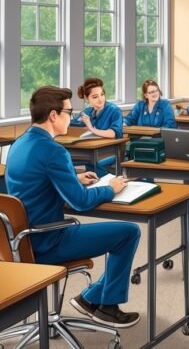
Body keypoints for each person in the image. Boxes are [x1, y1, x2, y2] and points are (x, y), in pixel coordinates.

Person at [5, 86, 140, 328]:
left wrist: (73, 177)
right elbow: (81, 201)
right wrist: (112, 188)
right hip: (48, 239)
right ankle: (105, 305)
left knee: (121, 231)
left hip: (19, 241)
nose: (73, 116)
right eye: (69, 111)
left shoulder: (18, 143)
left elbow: (34, 180)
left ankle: (91, 298)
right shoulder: (53, 150)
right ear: (54, 115)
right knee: (129, 232)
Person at [70, 77, 123, 176]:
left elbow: (114, 133)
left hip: (110, 152)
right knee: (66, 160)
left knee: (95, 162)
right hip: (90, 150)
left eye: (102, 95)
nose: (100, 99)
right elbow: (72, 123)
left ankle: (103, 185)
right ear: (87, 99)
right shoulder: (87, 112)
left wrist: (91, 129)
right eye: (95, 97)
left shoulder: (114, 110)